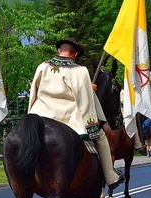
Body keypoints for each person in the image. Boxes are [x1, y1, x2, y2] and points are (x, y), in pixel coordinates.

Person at [27, 38, 124, 190]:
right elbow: (84, 100)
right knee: (101, 136)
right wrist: (91, 124)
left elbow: (34, 91)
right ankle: (110, 176)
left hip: (41, 115)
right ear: (75, 54)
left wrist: (30, 113)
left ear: (59, 51)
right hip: (69, 117)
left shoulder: (43, 66)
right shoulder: (79, 70)